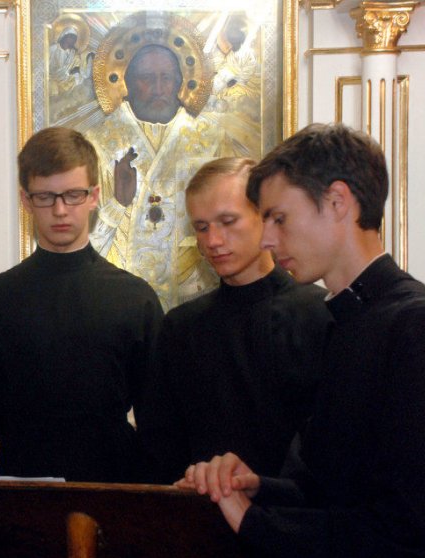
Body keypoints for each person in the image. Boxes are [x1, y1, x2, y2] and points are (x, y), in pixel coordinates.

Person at [176, 123, 425, 558]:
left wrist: (254, 523)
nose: (267, 239)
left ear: (337, 201)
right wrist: (257, 488)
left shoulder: (417, 321)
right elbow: (333, 490)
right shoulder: (347, 318)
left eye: (279, 218)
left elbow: (415, 530)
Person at [0, 126, 161, 558]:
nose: (61, 211)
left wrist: (155, 537)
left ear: (94, 195)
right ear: (25, 201)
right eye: (45, 197)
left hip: (116, 506)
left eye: (72, 195)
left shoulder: (135, 298)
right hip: (23, 509)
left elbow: (159, 426)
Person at [140, 157, 330, 487]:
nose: (213, 240)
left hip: (297, 512)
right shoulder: (180, 329)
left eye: (227, 222)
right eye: (202, 227)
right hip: (199, 510)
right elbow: (161, 446)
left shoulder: (321, 315)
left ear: (264, 217)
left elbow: (330, 442)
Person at [87, 39, 259, 309]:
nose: (158, 88)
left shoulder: (210, 138)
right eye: (146, 78)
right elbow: (83, 242)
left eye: (166, 78)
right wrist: (118, 204)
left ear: (180, 82)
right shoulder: (99, 142)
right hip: (120, 297)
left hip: (196, 292)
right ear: (126, 84)